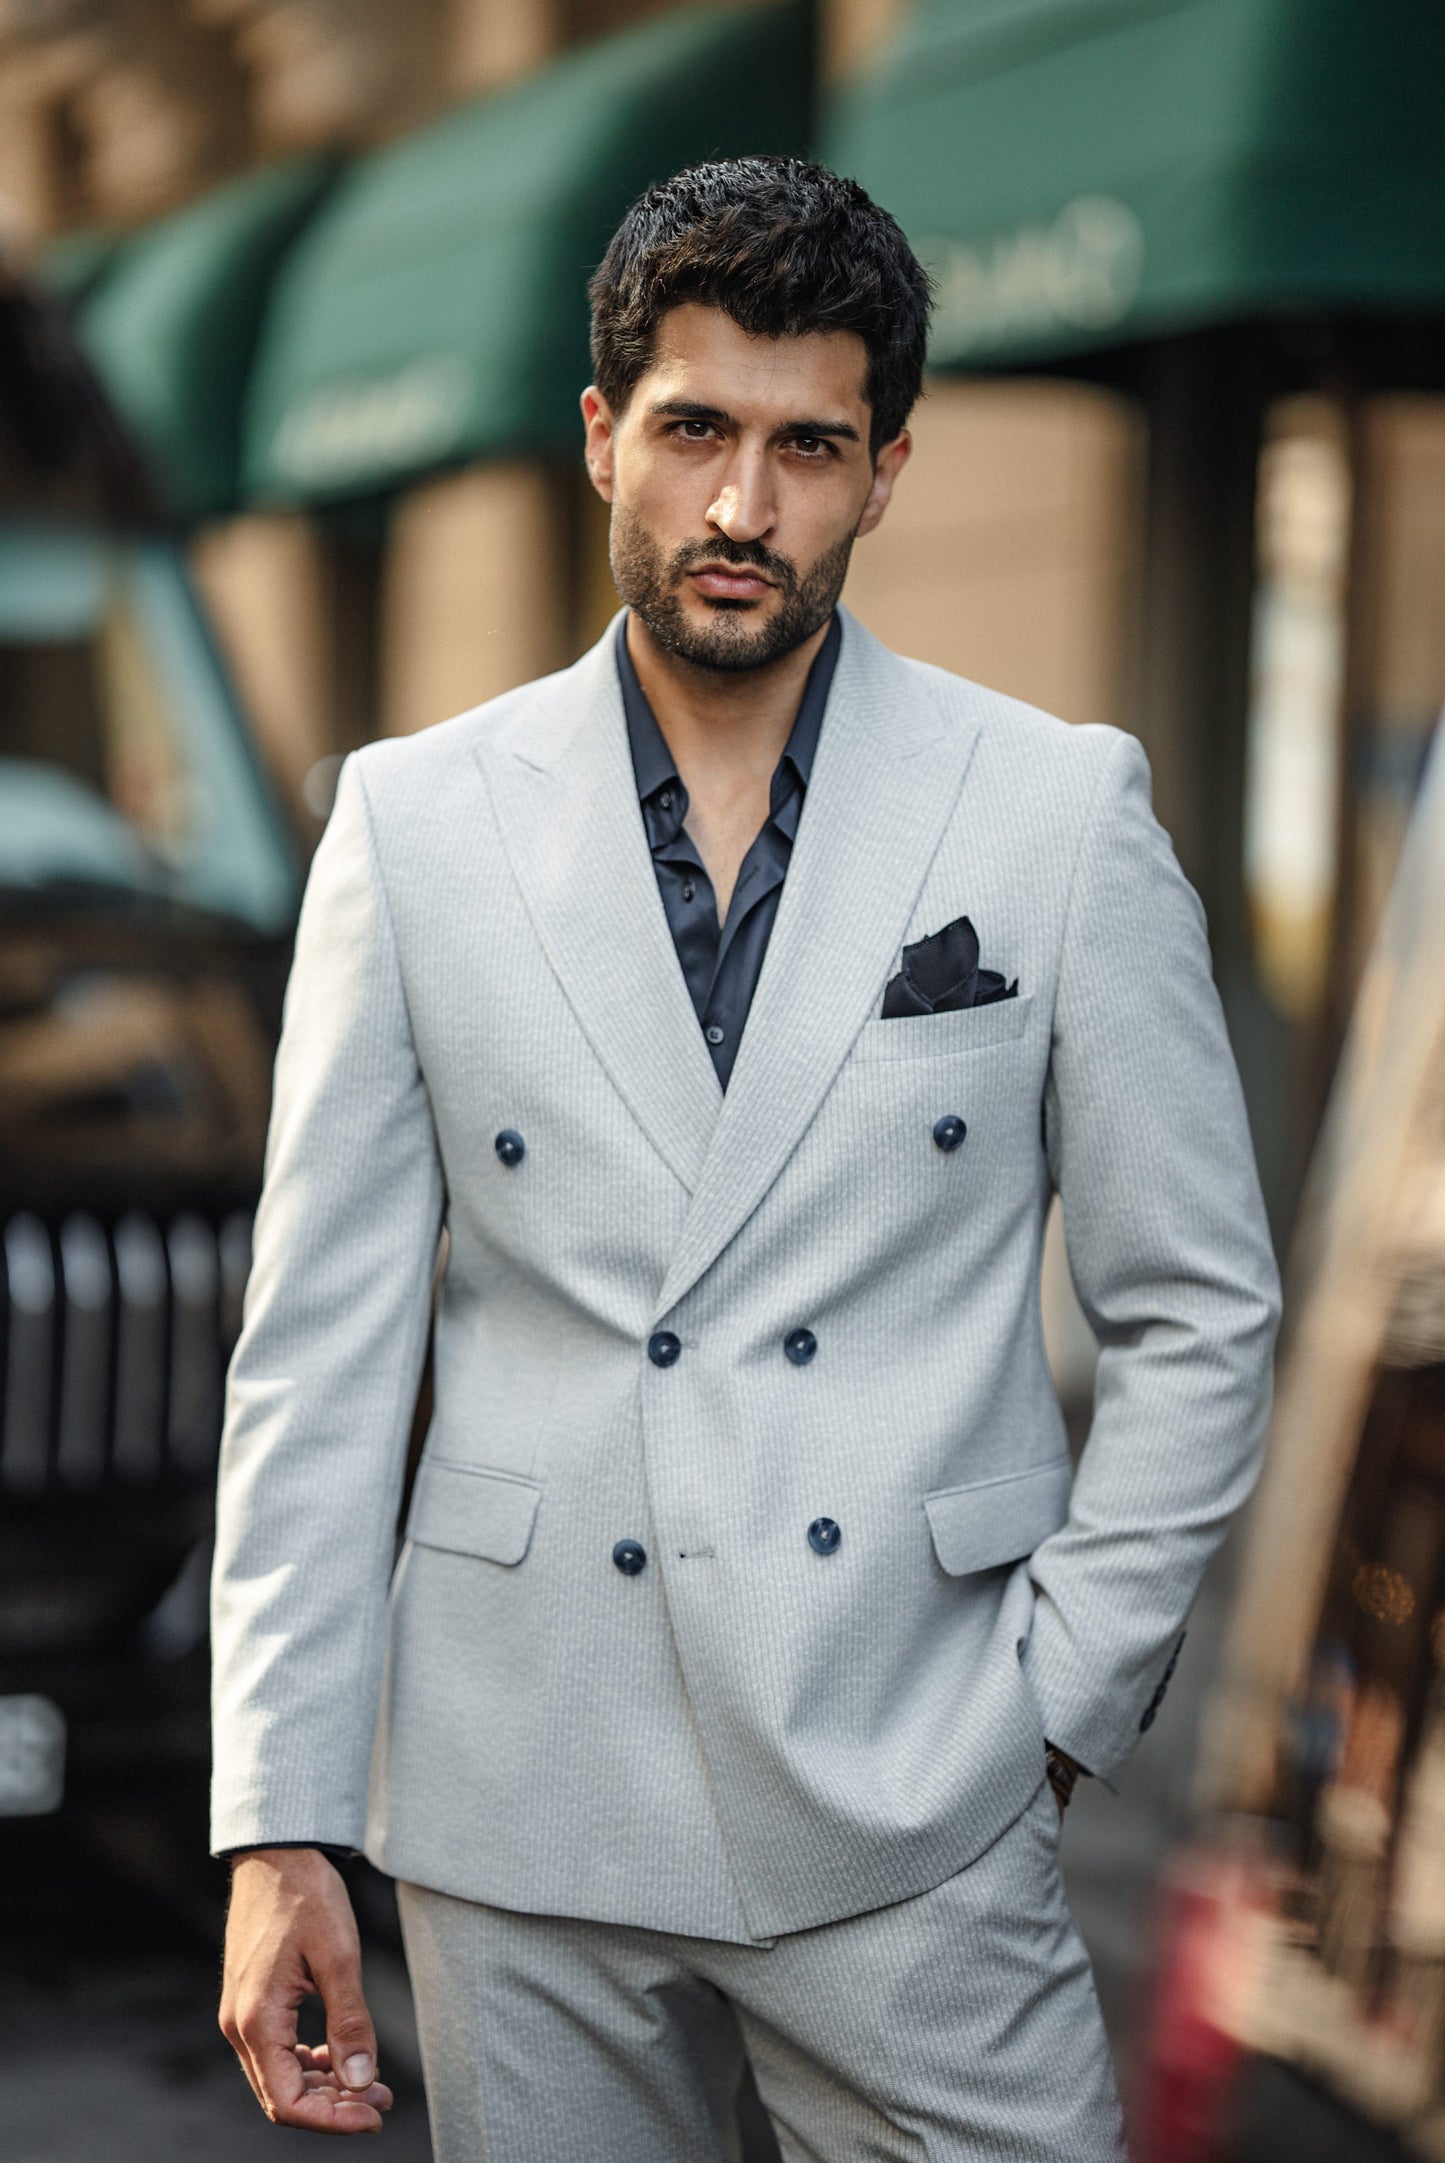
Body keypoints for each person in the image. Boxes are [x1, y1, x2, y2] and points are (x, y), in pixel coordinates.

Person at [212, 157, 1281, 2160]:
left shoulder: (1056, 811)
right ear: (605, 431)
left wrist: (1054, 1710)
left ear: (885, 472)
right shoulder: (414, 825)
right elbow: (318, 1359)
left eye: (809, 447)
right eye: (696, 429)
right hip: (523, 1804)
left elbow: (1200, 1304)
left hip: (915, 1785)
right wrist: (280, 1816)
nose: (739, 508)